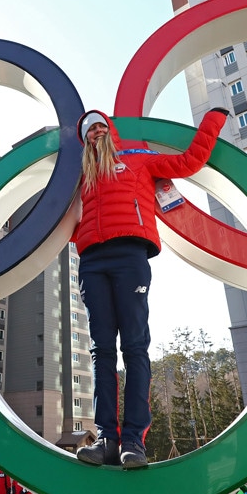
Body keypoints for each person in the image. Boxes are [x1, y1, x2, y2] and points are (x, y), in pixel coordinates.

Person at [73, 107, 229, 469]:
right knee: (101, 350)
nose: (95, 133)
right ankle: (106, 440)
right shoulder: (81, 177)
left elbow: (189, 162)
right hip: (92, 262)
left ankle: (133, 443)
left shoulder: (138, 162)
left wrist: (212, 122)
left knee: (134, 347)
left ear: (110, 131)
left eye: (99, 127)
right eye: (88, 132)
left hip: (130, 256)